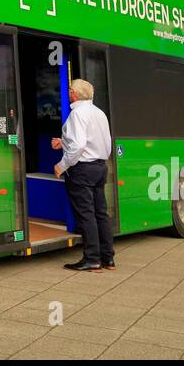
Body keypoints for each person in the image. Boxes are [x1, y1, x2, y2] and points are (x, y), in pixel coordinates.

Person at [53, 78, 115, 272]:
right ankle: (107, 258)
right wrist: (63, 142)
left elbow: (79, 145)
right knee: (101, 214)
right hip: (99, 167)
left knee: (86, 215)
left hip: (82, 170)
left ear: (75, 94)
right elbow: (97, 142)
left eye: (70, 89)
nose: (69, 91)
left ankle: (92, 259)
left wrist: (61, 165)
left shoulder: (77, 114)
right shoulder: (99, 113)